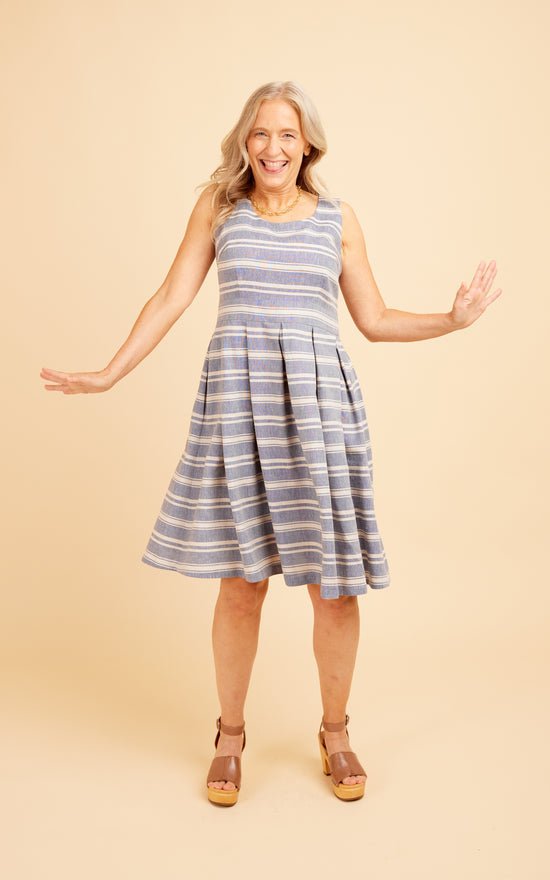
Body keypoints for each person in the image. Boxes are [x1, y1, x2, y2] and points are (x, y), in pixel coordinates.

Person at [39, 80, 502, 807]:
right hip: (239, 410)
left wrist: (452, 319)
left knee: (334, 589)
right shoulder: (219, 208)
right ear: (244, 142)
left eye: (288, 134)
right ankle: (229, 738)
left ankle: (336, 733)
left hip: (321, 414)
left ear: (308, 143)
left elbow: (375, 319)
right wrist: (108, 373)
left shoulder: (338, 219)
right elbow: (170, 298)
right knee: (240, 585)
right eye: (261, 133)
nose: (273, 147)